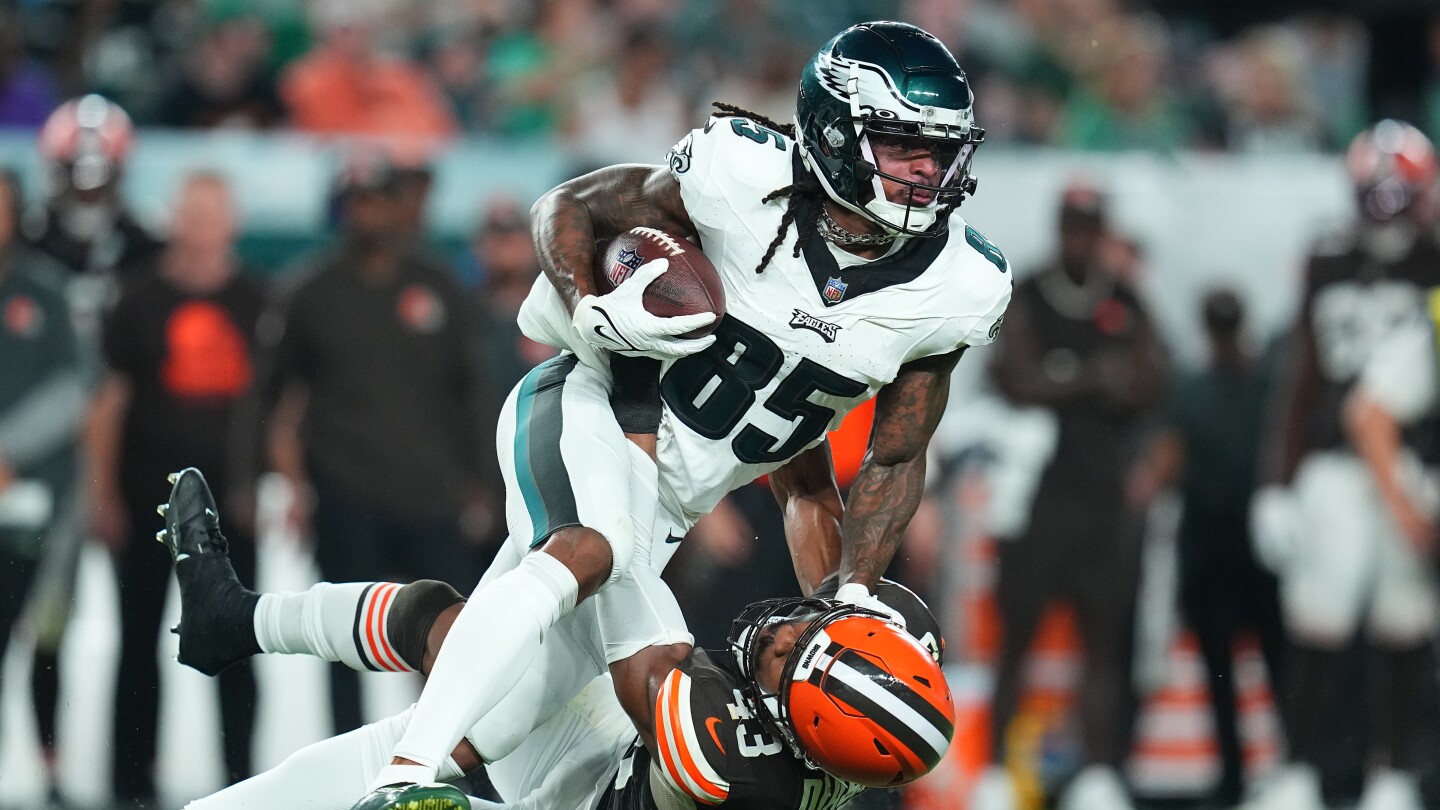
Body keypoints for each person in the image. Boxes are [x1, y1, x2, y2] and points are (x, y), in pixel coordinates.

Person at [358, 20, 1009, 801]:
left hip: (670, 510)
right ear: (837, 133)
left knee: (490, 726)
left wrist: (852, 595)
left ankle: (284, 734)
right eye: (906, 146)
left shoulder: (958, 286)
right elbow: (571, 206)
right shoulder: (740, 173)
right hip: (603, 410)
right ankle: (400, 780)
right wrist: (587, 302)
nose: (929, 170)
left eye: (942, 151)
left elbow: (892, 455)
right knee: (590, 559)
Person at [156, 466, 954, 810]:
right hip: (623, 746)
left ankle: (240, 632)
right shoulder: (886, 645)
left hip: (580, 797)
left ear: (788, 728)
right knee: (468, 633)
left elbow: (616, 561)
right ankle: (235, 620)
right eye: (808, 630)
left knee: (464, 716)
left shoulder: (719, 750)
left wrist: (658, 418)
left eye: (781, 660)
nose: (781, 629)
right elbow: (817, 496)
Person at [235, 152, 491, 734]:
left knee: (448, 641)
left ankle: (444, 759)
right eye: (356, 203)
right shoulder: (308, 291)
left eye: (378, 201)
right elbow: (265, 396)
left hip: (432, 493)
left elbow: (471, 394)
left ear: (399, 208)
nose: (368, 214)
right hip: (345, 492)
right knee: (344, 640)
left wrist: (483, 485)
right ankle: (349, 761)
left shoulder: (439, 286)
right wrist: (247, 484)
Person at [1247, 119, 1440, 810]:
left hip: (1413, 460)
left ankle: (1392, 775)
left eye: (1398, 191)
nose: (1386, 206)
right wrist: (1277, 481)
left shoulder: (1433, 262)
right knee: (1318, 622)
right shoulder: (1327, 258)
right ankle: (1299, 771)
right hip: (1333, 464)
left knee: (1403, 624)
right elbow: (1300, 379)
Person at [972, 184, 1168, 810]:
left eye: (1089, 229)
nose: (1079, 240)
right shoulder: (1031, 291)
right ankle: (997, 770)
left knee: (1103, 640)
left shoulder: (1123, 296)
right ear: (1058, 229)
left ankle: (1100, 772)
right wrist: (1096, 379)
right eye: (1071, 228)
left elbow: (1151, 379)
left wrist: (1063, 375)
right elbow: (1014, 377)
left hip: (1102, 493)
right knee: (1017, 638)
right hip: (1039, 493)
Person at [87, 171, 265, 801]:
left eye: (213, 214)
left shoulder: (258, 300)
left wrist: (271, 483)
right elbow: (108, 403)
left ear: (232, 223)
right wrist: (101, 493)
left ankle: (243, 781)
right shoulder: (135, 298)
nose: (202, 227)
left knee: (239, 641)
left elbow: (276, 406)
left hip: (231, 504)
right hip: (145, 498)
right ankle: (130, 783)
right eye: (192, 213)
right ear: (174, 220)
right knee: (137, 641)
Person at [20, 94, 163, 801]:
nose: (86, 189)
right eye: (75, 174)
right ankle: (50, 764)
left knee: (143, 619)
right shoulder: (28, 245)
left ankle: (130, 773)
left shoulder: (146, 245)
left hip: (132, 447)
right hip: (40, 451)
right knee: (46, 615)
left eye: (98, 174)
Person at [1148, 290, 1286, 807]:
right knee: (1261, 667)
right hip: (1237, 546)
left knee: (1239, 671)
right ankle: (1268, 773)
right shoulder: (1260, 385)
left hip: (1230, 547)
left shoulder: (1198, 388)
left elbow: (1167, 465)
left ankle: (1247, 777)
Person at [0, 169, 85, 788]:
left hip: (40, 499)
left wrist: (7, 451)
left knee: (47, 635)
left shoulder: (46, 290)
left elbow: (75, 386)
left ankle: (52, 767)